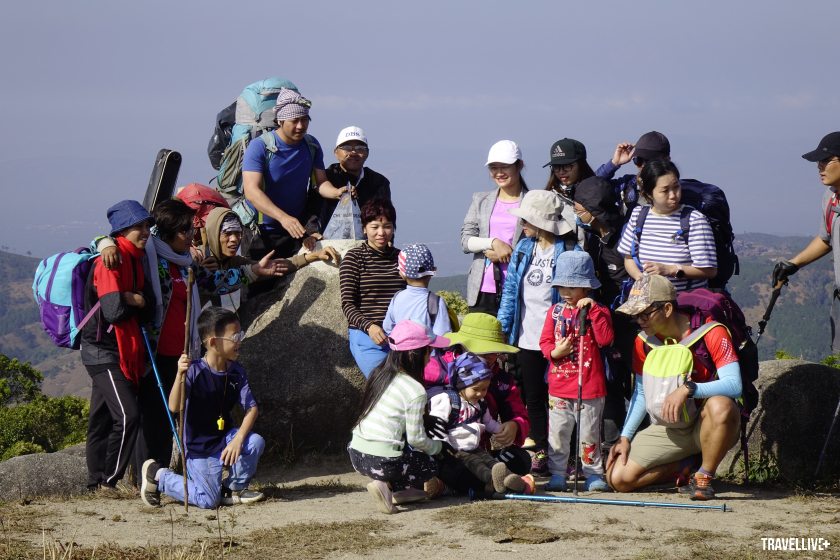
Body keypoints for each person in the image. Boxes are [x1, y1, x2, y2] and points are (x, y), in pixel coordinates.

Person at [96, 199, 280, 478]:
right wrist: (104, 243)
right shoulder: (148, 257)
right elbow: (103, 246)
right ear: (167, 234)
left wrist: (254, 271)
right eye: (185, 230)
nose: (193, 236)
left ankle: (161, 476)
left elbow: (215, 280)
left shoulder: (186, 264)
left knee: (177, 416)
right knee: (154, 419)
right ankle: (147, 478)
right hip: (153, 355)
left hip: (182, 354)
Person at [607, 274, 742, 500]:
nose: (639, 320)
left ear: (667, 309)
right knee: (617, 478)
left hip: (708, 423)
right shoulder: (644, 342)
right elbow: (641, 393)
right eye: (635, 315)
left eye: (644, 313)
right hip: (670, 426)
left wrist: (689, 389)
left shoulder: (712, 332)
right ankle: (687, 465)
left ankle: (704, 477)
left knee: (720, 404)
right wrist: (625, 437)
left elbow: (734, 385)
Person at [141, 307, 265, 508]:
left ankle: (233, 488)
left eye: (240, 335)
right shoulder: (194, 371)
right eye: (235, 336)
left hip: (224, 439)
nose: (239, 340)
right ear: (213, 342)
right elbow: (173, 406)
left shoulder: (236, 372)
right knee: (208, 500)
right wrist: (180, 375)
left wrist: (238, 439)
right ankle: (158, 476)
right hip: (200, 449)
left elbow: (252, 409)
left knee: (255, 442)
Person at [496, 190, 578, 475]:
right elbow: (510, 294)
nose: (522, 225)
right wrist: (502, 333)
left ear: (543, 222)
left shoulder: (571, 252)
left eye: (527, 219)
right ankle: (543, 451)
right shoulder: (522, 249)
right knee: (533, 397)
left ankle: (567, 456)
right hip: (527, 337)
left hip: (560, 339)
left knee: (563, 398)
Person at [81, 200, 156, 492]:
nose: (146, 231)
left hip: (120, 349)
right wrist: (134, 299)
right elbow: (113, 312)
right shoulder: (109, 261)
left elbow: (149, 308)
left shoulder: (136, 259)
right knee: (129, 415)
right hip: (102, 349)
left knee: (100, 420)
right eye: (139, 226)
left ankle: (94, 483)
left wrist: (135, 299)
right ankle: (109, 482)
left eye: (147, 225)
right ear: (122, 230)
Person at [348, 319, 454, 514]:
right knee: (429, 465)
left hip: (356, 454)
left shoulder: (379, 374)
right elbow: (416, 438)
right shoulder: (415, 390)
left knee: (403, 449)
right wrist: (439, 447)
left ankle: (401, 491)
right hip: (380, 462)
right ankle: (385, 486)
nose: (430, 356)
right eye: (428, 351)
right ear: (415, 353)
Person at [422, 313, 532, 497]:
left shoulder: (502, 380)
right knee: (441, 462)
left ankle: (448, 486)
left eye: (494, 351)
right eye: (484, 351)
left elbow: (517, 412)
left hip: (480, 451)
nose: (491, 357)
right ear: (463, 345)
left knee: (521, 458)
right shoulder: (433, 368)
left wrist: (515, 425)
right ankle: (492, 484)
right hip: (446, 450)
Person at [241, 88, 345, 262]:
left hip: (294, 230)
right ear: (280, 120)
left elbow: (320, 183)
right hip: (260, 232)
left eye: (305, 120)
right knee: (258, 285)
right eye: (294, 121)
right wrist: (284, 218)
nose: (300, 126)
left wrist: (336, 193)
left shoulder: (311, 145)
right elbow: (252, 192)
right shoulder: (259, 147)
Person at [539, 251, 613, 492]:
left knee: (589, 433)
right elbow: (545, 342)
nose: (566, 292)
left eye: (573, 286)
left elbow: (605, 339)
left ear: (587, 288)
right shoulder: (555, 312)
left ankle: (592, 473)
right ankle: (558, 473)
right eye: (562, 285)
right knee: (558, 433)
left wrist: (592, 312)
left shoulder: (599, 311)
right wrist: (553, 353)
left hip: (590, 386)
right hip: (559, 386)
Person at [573, 176, 634, 451]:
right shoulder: (596, 237)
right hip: (604, 321)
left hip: (630, 323)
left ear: (594, 212)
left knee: (634, 386)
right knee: (609, 383)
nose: (575, 213)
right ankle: (611, 446)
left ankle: (632, 444)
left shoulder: (623, 239)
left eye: (578, 209)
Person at [773, 132, 840, 349]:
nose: (819, 167)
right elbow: (827, 238)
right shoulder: (830, 198)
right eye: (818, 161)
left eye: (825, 160)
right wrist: (794, 263)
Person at [198, 207, 340, 305]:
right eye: (227, 234)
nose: (234, 239)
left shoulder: (234, 261)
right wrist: (199, 278)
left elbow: (274, 266)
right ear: (214, 234)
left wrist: (314, 255)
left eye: (237, 232)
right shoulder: (195, 260)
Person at [616, 159, 717, 293]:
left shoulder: (694, 220)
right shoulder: (638, 216)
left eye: (676, 187)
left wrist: (670, 270)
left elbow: (709, 270)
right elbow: (628, 258)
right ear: (648, 194)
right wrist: (641, 280)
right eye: (665, 191)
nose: (673, 195)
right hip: (650, 305)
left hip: (684, 306)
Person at [461, 140, 529, 316]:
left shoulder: (532, 203)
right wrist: (493, 243)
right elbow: (466, 241)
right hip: (482, 290)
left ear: (519, 165)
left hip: (520, 289)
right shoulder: (480, 200)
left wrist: (508, 254)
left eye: (504, 167)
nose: (499, 173)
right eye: (493, 167)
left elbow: (543, 246)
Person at [339, 198, 405, 377]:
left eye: (387, 226)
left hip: (401, 338)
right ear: (364, 228)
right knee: (386, 390)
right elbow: (347, 304)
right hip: (367, 337)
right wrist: (370, 327)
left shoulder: (401, 257)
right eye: (375, 227)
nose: (381, 233)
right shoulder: (354, 258)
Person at [315, 126, 391, 235]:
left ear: (367, 153)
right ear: (336, 152)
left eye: (360, 148)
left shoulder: (379, 182)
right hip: (326, 243)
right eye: (346, 147)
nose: (353, 152)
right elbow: (314, 211)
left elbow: (384, 218)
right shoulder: (325, 178)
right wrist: (313, 234)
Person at [594, 131, 671, 216]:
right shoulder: (627, 185)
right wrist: (614, 164)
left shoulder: (675, 192)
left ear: (667, 160)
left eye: (649, 161)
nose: (643, 165)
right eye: (639, 160)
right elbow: (590, 188)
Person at [382, 244, 450, 337]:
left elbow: (388, 327)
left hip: (401, 350)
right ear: (433, 271)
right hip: (428, 351)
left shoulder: (396, 298)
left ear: (402, 275)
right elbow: (443, 334)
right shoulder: (436, 302)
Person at [543, 138, 595, 249]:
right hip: (561, 263)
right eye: (556, 166)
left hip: (595, 264)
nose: (561, 171)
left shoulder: (597, 194)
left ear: (581, 165)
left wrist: (613, 164)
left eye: (567, 165)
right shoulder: (548, 198)